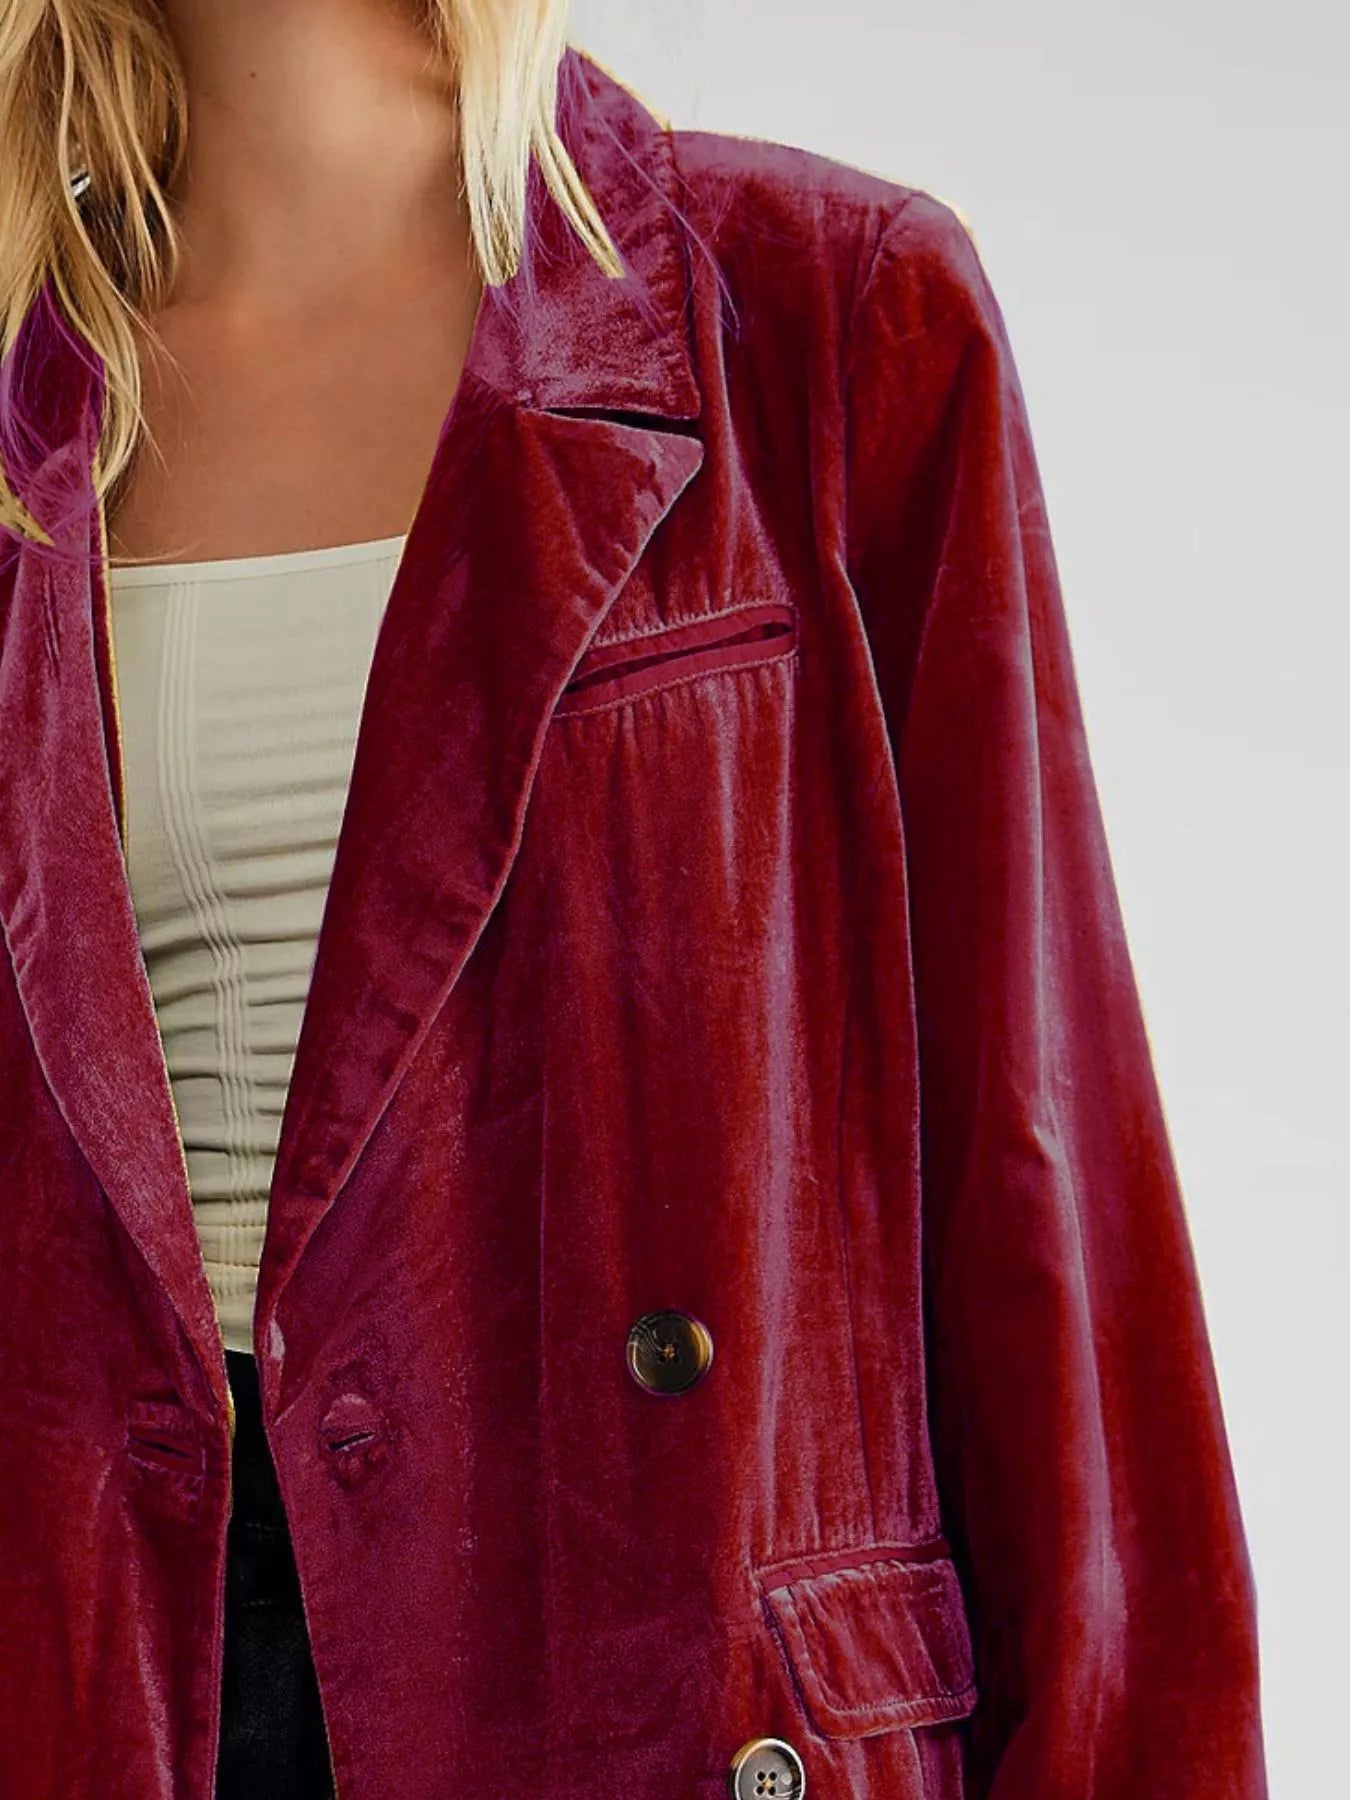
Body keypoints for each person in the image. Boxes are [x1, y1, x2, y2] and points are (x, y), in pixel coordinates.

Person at [0, 5, 1268, 1798]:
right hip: (107, 1668)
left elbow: (1038, 1188)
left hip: (632, 1650)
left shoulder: (820, 312)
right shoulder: (21, 420)